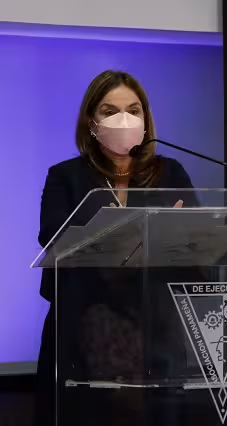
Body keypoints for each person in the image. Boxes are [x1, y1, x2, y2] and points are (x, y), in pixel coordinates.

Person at [35, 70, 197, 426]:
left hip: (156, 333)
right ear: (91, 122)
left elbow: (195, 244)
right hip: (82, 330)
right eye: (109, 111)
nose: (124, 119)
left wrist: (178, 237)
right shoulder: (65, 176)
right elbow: (54, 237)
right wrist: (141, 234)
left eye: (133, 110)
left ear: (146, 119)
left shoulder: (171, 173)